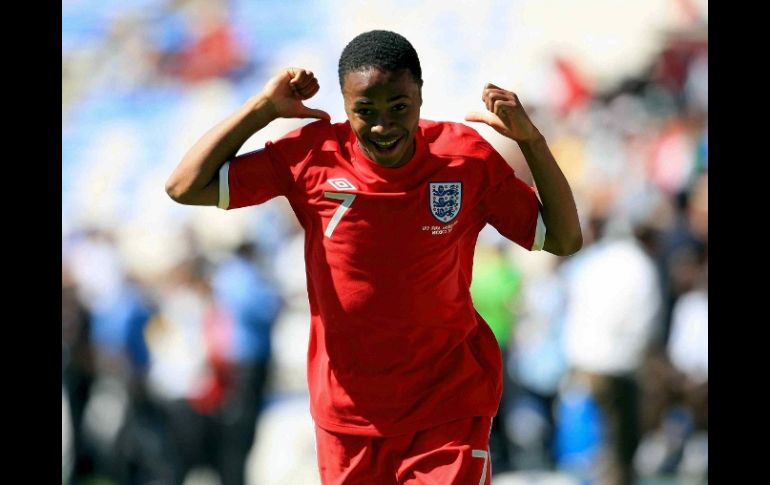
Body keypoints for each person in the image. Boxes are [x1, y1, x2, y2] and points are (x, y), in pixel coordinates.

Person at [166, 30, 581, 484]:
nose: (383, 125)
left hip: (446, 407)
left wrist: (531, 141)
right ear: (346, 107)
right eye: (365, 111)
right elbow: (185, 186)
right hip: (348, 415)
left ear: (420, 96)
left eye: (398, 107)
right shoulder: (313, 154)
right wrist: (262, 110)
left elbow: (562, 239)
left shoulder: (465, 158)